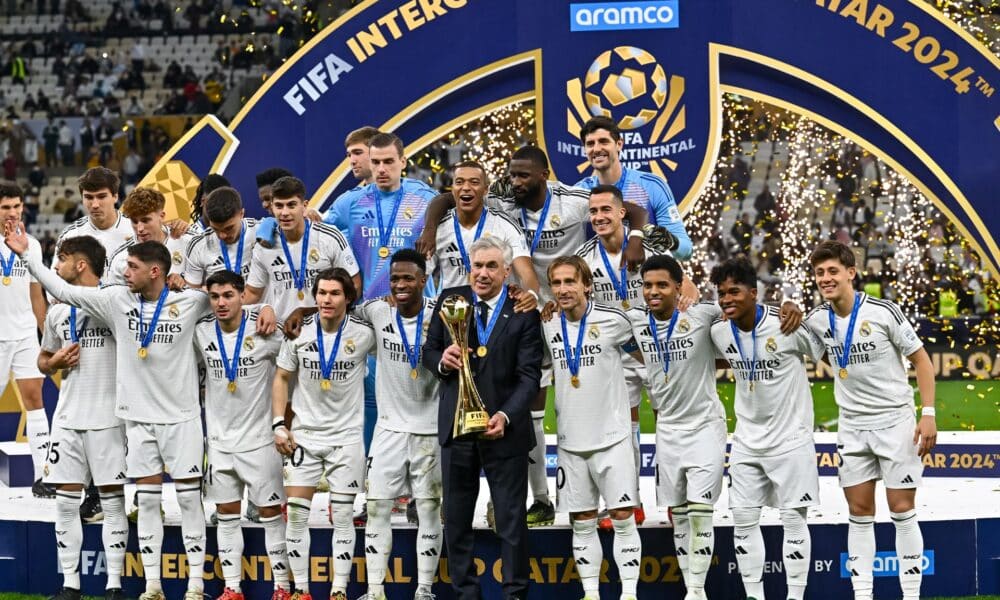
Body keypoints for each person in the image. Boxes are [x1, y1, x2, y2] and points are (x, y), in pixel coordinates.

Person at [5, 227, 276, 600]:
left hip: (182, 420)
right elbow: (65, 292)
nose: (124, 271)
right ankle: (152, 587)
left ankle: (195, 586)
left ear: (155, 271)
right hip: (136, 421)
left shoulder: (191, 302)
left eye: (132, 266)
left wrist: (266, 307)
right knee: (147, 502)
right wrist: (27, 256)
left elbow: (230, 303)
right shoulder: (116, 299)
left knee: (187, 501)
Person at [417, 146, 650, 528]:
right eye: (512, 175)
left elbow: (629, 210)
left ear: (544, 175)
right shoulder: (502, 199)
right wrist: (429, 226)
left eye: (524, 175)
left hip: (546, 312)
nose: (516, 181)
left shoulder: (570, 203)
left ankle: (622, 495)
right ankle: (531, 498)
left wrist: (533, 294)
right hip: (492, 322)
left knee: (572, 402)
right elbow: (448, 195)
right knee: (487, 410)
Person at [804, 241, 936, 600]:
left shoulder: (883, 312)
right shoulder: (817, 319)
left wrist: (928, 414)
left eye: (833, 271)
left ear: (851, 273)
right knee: (859, 512)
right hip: (852, 426)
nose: (826, 279)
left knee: (902, 509)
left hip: (895, 422)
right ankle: (863, 595)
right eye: (819, 273)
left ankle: (911, 595)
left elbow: (922, 361)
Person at [422, 237, 542, 600]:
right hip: (459, 429)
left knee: (511, 523)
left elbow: (529, 376)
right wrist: (443, 361)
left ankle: (514, 594)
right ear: (469, 267)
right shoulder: (451, 300)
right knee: (456, 522)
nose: (483, 274)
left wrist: (505, 415)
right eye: (478, 266)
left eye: (492, 267)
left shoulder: (523, 310)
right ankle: (466, 595)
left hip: (504, 431)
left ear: (507, 272)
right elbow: (428, 351)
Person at [709, 257, 824, 600]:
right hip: (746, 440)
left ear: (754, 293)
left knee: (793, 521)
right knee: (743, 522)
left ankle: (795, 596)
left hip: (791, 439)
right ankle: (754, 597)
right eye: (721, 293)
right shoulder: (718, 330)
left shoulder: (785, 323)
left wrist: (796, 308)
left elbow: (823, 353)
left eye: (734, 291)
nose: (727, 299)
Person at [543, 255, 643, 600]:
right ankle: (591, 594)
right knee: (582, 520)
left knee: (622, 516)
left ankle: (629, 594)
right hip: (571, 441)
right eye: (556, 283)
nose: (563, 289)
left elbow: (645, 355)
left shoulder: (614, 320)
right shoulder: (548, 323)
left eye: (570, 281)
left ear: (587, 284)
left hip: (613, 438)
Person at [272, 268, 375, 600]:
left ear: (348, 298)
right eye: (321, 293)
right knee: (297, 516)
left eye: (334, 293)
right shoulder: (298, 332)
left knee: (343, 516)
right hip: (304, 437)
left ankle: (339, 590)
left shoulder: (364, 333)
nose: (327, 299)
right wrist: (278, 424)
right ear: (314, 297)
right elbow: (282, 378)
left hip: (346, 439)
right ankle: (301, 590)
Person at [37, 236, 128, 600]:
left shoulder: (113, 305)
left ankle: (115, 586)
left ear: (81, 265)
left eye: (61, 259)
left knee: (112, 501)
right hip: (68, 418)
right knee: (63, 501)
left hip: (108, 418)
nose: (56, 265)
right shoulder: (58, 312)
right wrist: (53, 363)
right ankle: (70, 585)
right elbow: (43, 360)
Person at [353, 249, 442, 600]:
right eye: (395, 279)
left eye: (408, 278)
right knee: (376, 507)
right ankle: (375, 591)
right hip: (388, 430)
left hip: (430, 430)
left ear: (424, 280)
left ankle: (424, 590)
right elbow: (338, 312)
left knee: (429, 508)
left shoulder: (443, 315)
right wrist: (302, 311)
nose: (400, 285)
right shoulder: (377, 311)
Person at [195, 271, 289, 600]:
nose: (221, 303)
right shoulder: (201, 331)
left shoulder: (264, 329)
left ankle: (282, 586)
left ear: (241, 296)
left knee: (271, 516)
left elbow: (291, 365)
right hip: (219, 443)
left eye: (228, 295)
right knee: (227, 516)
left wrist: (269, 309)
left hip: (260, 441)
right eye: (215, 297)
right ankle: (232, 588)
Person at [245, 176, 360, 333]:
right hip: (284, 333)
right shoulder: (263, 246)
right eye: (279, 206)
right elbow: (252, 293)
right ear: (272, 207)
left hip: (327, 330)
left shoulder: (330, 237)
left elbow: (355, 286)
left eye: (291, 205)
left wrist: (309, 312)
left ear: (304, 206)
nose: (285, 212)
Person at [574, 116, 692, 259]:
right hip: (599, 278)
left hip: (646, 277)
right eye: (590, 144)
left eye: (603, 141)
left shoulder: (652, 186)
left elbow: (686, 251)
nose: (597, 149)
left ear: (619, 144)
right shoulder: (578, 193)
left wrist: (671, 242)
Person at [0, 181, 49, 497]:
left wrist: (48, 337)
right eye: (6, 207)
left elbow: (37, 295)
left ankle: (43, 475)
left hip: (25, 334)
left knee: (35, 399)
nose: (13, 213)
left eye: (17, 206)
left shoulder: (32, 244)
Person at [430, 160, 539, 295]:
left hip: (494, 311)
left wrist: (531, 294)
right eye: (459, 182)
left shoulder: (504, 225)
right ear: (452, 189)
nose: (466, 187)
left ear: (485, 190)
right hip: (451, 311)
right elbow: (418, 271)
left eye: (474, 182)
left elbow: (527, 273)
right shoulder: (438, 228)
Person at [105, 187, 194, 288]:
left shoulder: (187, 241)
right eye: (134, 221)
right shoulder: (120, 258)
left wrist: (185, 283)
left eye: (145, 220)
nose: (140, 229)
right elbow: (113, 299)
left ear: (162, 216)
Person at [53, 167, 133, 273]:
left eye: (101, 197)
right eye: (89, 198)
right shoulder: (71, 235)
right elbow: (56, 282)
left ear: (115, 197)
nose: (95, 205)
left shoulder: (135, 230)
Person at [185, 187, 259, 287]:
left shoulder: (260, 231)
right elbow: (193, 294)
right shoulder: (198, 245)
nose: (222, 235)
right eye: (215, 229)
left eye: (229, 228)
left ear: (241, 214)